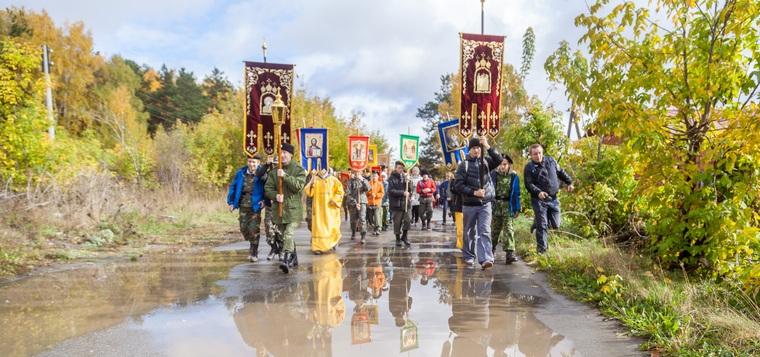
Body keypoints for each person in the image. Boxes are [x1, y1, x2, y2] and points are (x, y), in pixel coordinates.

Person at [454, 136, 500, 270]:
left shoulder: (486, 162)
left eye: (478, 148)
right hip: (469, 204)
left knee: (485, 230)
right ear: (470, 150)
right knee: (469, 232)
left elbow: (498, 160)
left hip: (485, 204)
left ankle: (486, 258)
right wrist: (474, 192)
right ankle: (469, 256)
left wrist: (488, 146)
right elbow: (458, 186)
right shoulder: (464, 165)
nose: (476, 150)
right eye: (474, 148)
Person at [264, 142, 306, 274]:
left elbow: (299, 186)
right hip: (280, 210)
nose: (282, 155)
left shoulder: (298, 170)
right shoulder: (274, 172)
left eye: (285, 153)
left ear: (291, 155)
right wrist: (275, 196)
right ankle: (294, 258)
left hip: (293, 210)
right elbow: (268, 188)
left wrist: (285, 177)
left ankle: (286, 260)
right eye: (280, 153)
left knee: (288, 234)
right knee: (284, 236)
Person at [524, 143, 574, 254]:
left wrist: (569, 182)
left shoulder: (551, 161)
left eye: (539, 153)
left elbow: (560, 172)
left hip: (554, 199)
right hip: (539, 200)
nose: (538, 156)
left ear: (542, 152)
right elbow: (528, 184)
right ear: (531, 155)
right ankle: (542, 251)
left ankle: (537, 222)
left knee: (556, 225)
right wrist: (538, 192)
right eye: (535, 154)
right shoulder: (529, 167)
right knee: (543, 225)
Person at [227, 154, 270, 262]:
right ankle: (251, 241)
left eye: (254, 162)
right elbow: (233, 187)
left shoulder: (262, 174)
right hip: (242, 204)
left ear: (258, 163)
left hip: (255, 205)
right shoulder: (240, 173)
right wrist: (231, 202)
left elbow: (268, 188)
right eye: (250, 161)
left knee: (253, 228)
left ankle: (254, 251)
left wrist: (265, 201)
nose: (251, 164)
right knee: (243, 228)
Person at [490, 154, 521, 264]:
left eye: (505, 164)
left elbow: (517, 193)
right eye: (500, 164)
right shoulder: (493, 174)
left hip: (508, 205)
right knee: (495, 229)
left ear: (509, 165)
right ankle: (490, 251)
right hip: (496, 205)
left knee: (508, 228)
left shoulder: (513, 176)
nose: (502, 166)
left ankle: (510, 253)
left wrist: (517, 208)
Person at [305, 168, 344, 254]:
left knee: (331, 226)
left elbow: (340, 192)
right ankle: (318, 247)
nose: (322, 171)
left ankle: (332, 243)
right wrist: (312, 180)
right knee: (319, 228)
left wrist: (335, 199)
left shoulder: (333, 180)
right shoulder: (315, 180)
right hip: (318, 209)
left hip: (330, 209)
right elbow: (308, 192)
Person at [387, 161, 413, 247]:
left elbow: (410, 190)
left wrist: (409, 181)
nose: (401, 170)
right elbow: (391, 191)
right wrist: (402, 193)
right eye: (399, 168)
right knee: (397, 222)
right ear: (395, 168)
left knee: (408, 220)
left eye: (402, 168)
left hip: (406, 203)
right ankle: (397, 238)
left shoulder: (406, 177)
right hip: (396, 204)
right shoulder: (391, 178)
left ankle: (404, 236)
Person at [345, 170, 370, 244]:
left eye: (358, 172)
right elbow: (348, 193)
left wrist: (362, 180)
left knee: (362, 219)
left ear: (361, 173)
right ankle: (353, 232)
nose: (357, 174)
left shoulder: (364, 180)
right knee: (353, 220)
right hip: (353, 203)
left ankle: (363, 236)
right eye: (355, 172)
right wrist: (355, 203)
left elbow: (368, 188)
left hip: (362, 202)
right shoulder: (350, 181)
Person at [366, 171, 384, 236]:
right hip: (370, 203)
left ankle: (378, 229)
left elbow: (382, 193)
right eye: (373, 176)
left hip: (377, 203)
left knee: (377, 217)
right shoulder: (368, 183)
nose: (374, 177)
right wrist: (370, 194)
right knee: (371, 218)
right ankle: (374, 228)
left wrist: (376, 195)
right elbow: (366, 193)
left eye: (375, 176)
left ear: (378, 177)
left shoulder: (380, 184)